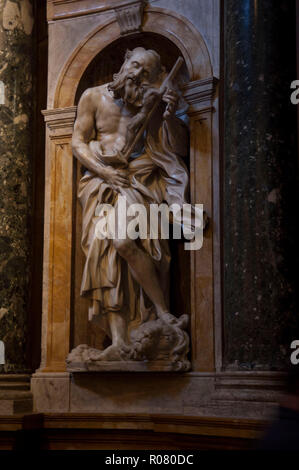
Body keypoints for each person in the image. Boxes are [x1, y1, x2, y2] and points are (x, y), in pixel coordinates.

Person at [72, 47, 190, 361]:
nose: (137, 75)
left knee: (124, 242)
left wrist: (169, 117)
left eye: (146, 73)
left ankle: (162, 312)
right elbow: (77, 141)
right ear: (124, 62)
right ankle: (119, 340)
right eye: (134, 65)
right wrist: (105, 172)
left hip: (140, 181)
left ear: (155, 79)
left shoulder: (155, 103)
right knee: (103, 257)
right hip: (102, 182)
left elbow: (178, 148)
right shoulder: (93, 97)